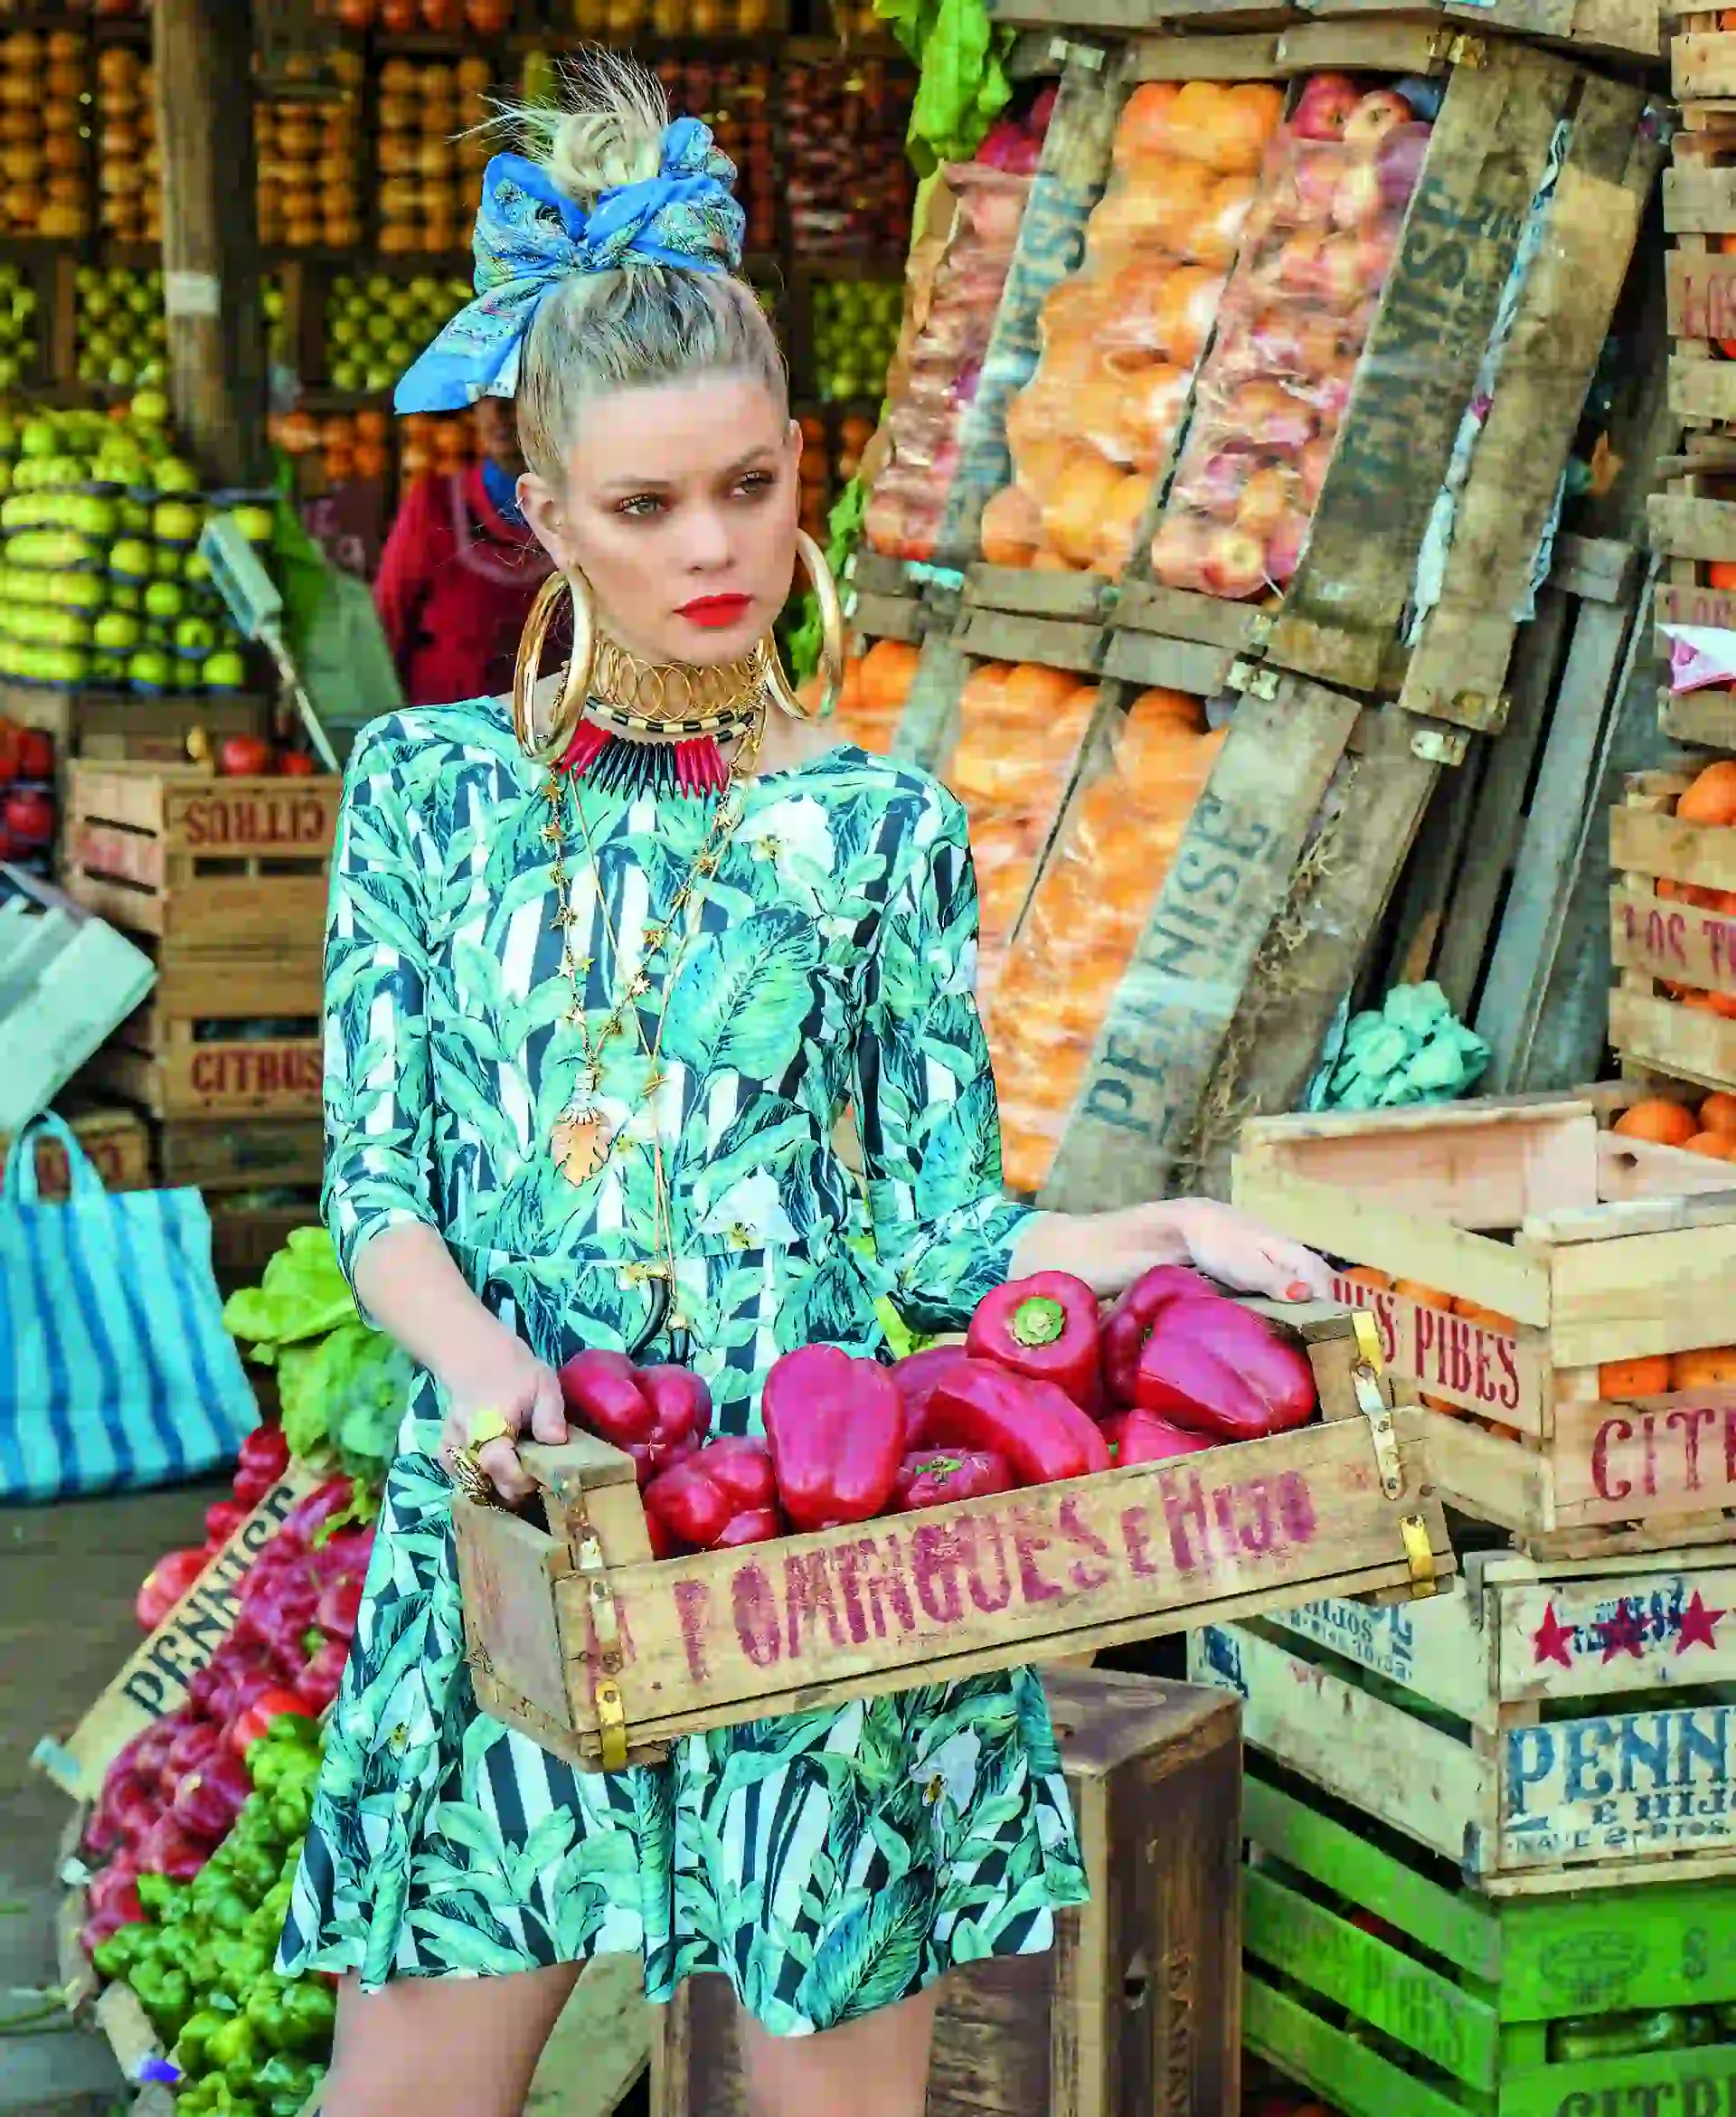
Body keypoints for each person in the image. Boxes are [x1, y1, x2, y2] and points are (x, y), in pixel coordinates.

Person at [278, 55, 1334, 2117]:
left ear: (800, 468)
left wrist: (1166, 1236)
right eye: (649, 504)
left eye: (749, 486)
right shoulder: (424, 797)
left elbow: (948, 1233)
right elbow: (376, 1197)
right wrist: (497, 1379)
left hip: (811, 1528)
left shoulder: (875, 825)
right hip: (523, 1514)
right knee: (411, 2095)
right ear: (545, 510)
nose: (710, 547)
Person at [372, 391, 555, 706]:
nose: (499, 412)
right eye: (487, 396)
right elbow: (387, 622)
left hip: (554, 731)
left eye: (518, 393)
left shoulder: (585, 508)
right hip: (446, 736)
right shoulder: (434, 505)